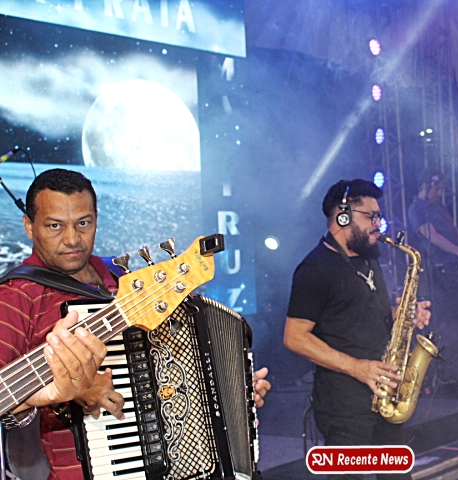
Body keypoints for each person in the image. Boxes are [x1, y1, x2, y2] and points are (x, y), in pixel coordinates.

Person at [0, 168, 271, 479]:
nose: (72, 239)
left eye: (83, 223)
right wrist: (69, 391)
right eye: (55, 226)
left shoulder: (126, 282)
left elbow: (178, 363)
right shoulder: (16, 297)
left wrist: (231, 391)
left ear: (96, 219)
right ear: (29, 226)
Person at [284, 179, 431, 479]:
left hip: (384, 396)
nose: (379, 224)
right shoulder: (315, 269)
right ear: (342, 216)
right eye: (371, 216)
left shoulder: (367, 259)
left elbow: (362, 318)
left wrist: (404, 315)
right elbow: (294, 337)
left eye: (379, 216)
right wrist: (358, 367)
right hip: (345, 408)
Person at [407, 168, 458, 363]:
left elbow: (455, 232)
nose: (439, 193)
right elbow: (432, 235)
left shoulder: (438, 208)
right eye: (437, 189)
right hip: (437, 274)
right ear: (425, 186)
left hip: (454, 272)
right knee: (444, 322)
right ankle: (442, 368)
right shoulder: (417, 209)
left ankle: (457, 363)